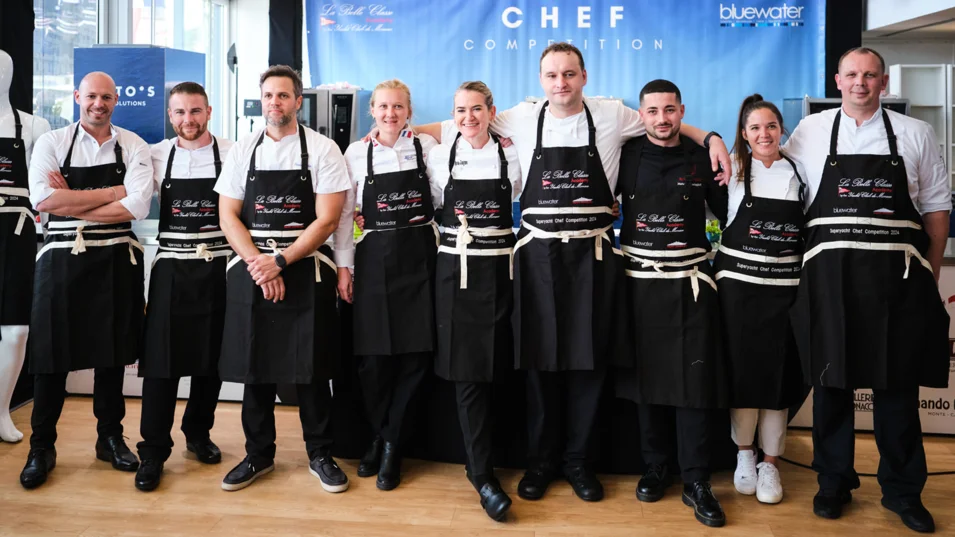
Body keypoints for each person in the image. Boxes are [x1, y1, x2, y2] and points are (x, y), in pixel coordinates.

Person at [416, 42, 731, 504]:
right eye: (551, 75)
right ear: (541, 80)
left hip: (594, 257)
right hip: (537, 258)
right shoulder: (520, 117)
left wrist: (711, 138)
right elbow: (459, 121)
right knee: (540, 367)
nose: (560, 83)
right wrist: (393, 128)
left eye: (568, 74)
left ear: (584, 77)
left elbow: (665, 122)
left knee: (591, 366)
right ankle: (542, 464)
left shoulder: (611, 114)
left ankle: (579, 463)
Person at [785, 47, 950, 533]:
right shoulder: (809, 132)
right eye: (852, 74)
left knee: (896, 390)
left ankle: (902, 492)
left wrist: (931, 277)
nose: (860, 83)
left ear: (884, 83)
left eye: (870, 75)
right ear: (838, 80)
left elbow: (937, 213)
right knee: (831, 386)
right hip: (829, 281)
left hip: (897, 286)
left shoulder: (916, 133)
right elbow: (770, 171)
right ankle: (833, 482)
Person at [215, 65, 352, 493]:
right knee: (255, 369)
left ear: (297, 101)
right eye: (268, 97)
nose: (274, 103)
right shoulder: (244, 149)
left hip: (304, 265)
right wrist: (260, 263)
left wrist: (281, 260)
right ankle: (258, 455)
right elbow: (228, 215)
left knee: (309, 368)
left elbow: (328, 220)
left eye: (283, 96)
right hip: (253, 267)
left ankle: (320, 453)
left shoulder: (324, 150)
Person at [21, 71, 153, 489]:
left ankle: (109, 438)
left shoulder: (133, 145)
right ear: (78, 96)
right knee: (49, 357)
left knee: (112, 355)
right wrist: (113, 192)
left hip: (116, 257)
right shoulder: (52, 142)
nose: (99, 103)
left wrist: (72, 203)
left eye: (107, 97)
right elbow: (42, 200)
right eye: (92, 96)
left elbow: (138, 207)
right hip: (60, 257)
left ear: (116, 100)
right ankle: (41, 446)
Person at [615, 80, 729, 527]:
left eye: (669, 110)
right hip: (639, 282)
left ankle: (696, 479)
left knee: (693, 385)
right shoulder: (624, 155)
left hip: (691, 283)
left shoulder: (704, 157)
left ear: (682, 111)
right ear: (640, 115)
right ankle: (655, 465)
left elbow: (728, 214)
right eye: (652, 111)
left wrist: (713, 137)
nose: (662, 119)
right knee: (645, 382)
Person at [427, 81, 522, 520]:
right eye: (461, 110)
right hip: (456, 272)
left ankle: (502, 460)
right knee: (467, 373)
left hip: (502, 271)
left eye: (477, 109)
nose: (469, 118)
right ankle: (480, 474)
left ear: (491, 111)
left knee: (500, 368)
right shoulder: (439, 151)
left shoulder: (512, 152)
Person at [134, 82, 235, 492]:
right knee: (161, 363)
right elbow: (132, 199)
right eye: (179, 113)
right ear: (170, 116)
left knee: (211, 361)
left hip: (219, 265)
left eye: (195, 111)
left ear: (208, 111)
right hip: (172, 266)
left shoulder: (232, 152)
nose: (187, 120)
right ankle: (153, 451)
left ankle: (198, 434)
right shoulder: (155, 155)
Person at [713, 94, 807, 505]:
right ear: (744, 134)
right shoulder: (731, 170)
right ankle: (744, 455)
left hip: (785, 290)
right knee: (743, 374)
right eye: (754, 128)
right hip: (738, 288)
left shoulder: (801, 171)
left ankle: (771, 463)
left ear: (781, 129)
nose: (764, 134)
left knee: (779, 375)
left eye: (770, 126)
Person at [346, 79, 439, 491]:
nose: (390, 114)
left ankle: (391, 447)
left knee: (415, 360)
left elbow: (441, 197)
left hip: (420, 262)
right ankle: (383, 434)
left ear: (409, 111)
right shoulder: (355, 153)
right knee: (373, 363)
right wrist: (345, 268)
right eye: (382, 107)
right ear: (372, 111)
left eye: (397, 107)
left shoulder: (427, 149)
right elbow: (344, 216)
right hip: (373, 263)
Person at [0, 49, 51, 444]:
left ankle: (1, 410)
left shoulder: (33, 126)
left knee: (16, 330)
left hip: (16, 230)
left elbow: (45, 190)